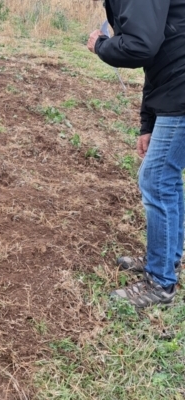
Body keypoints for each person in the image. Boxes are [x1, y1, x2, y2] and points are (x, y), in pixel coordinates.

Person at [87, 0, 185, 308]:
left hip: (180, 93)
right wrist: (149, 121)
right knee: (167, 178)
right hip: (173, 88)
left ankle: (160, 284)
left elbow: (140, 46)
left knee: (156, 179)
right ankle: (168, 259)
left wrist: (101, 45)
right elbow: (161, 53)